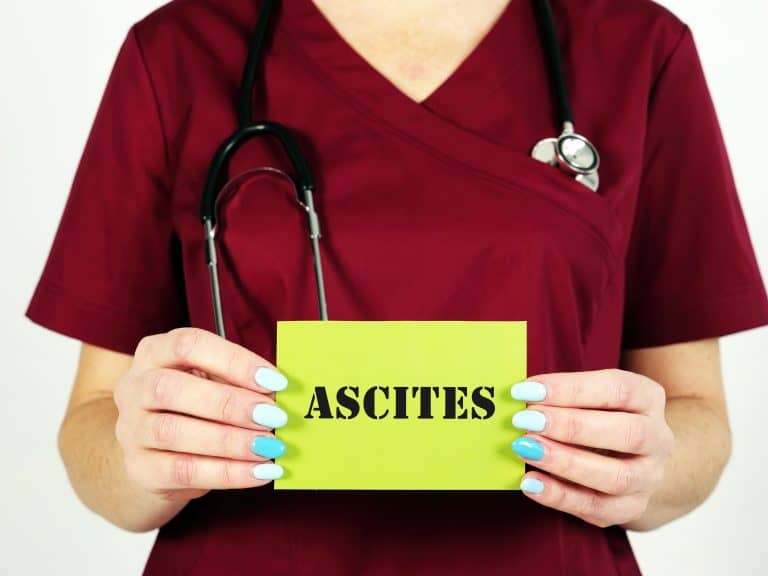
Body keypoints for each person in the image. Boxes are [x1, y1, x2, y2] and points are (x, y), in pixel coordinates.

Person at [25, 0, 768, 574]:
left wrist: (648, 467)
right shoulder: (179, 50)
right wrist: (144, 459)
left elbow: (699, 418)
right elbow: (93, 430)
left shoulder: (637, 49)